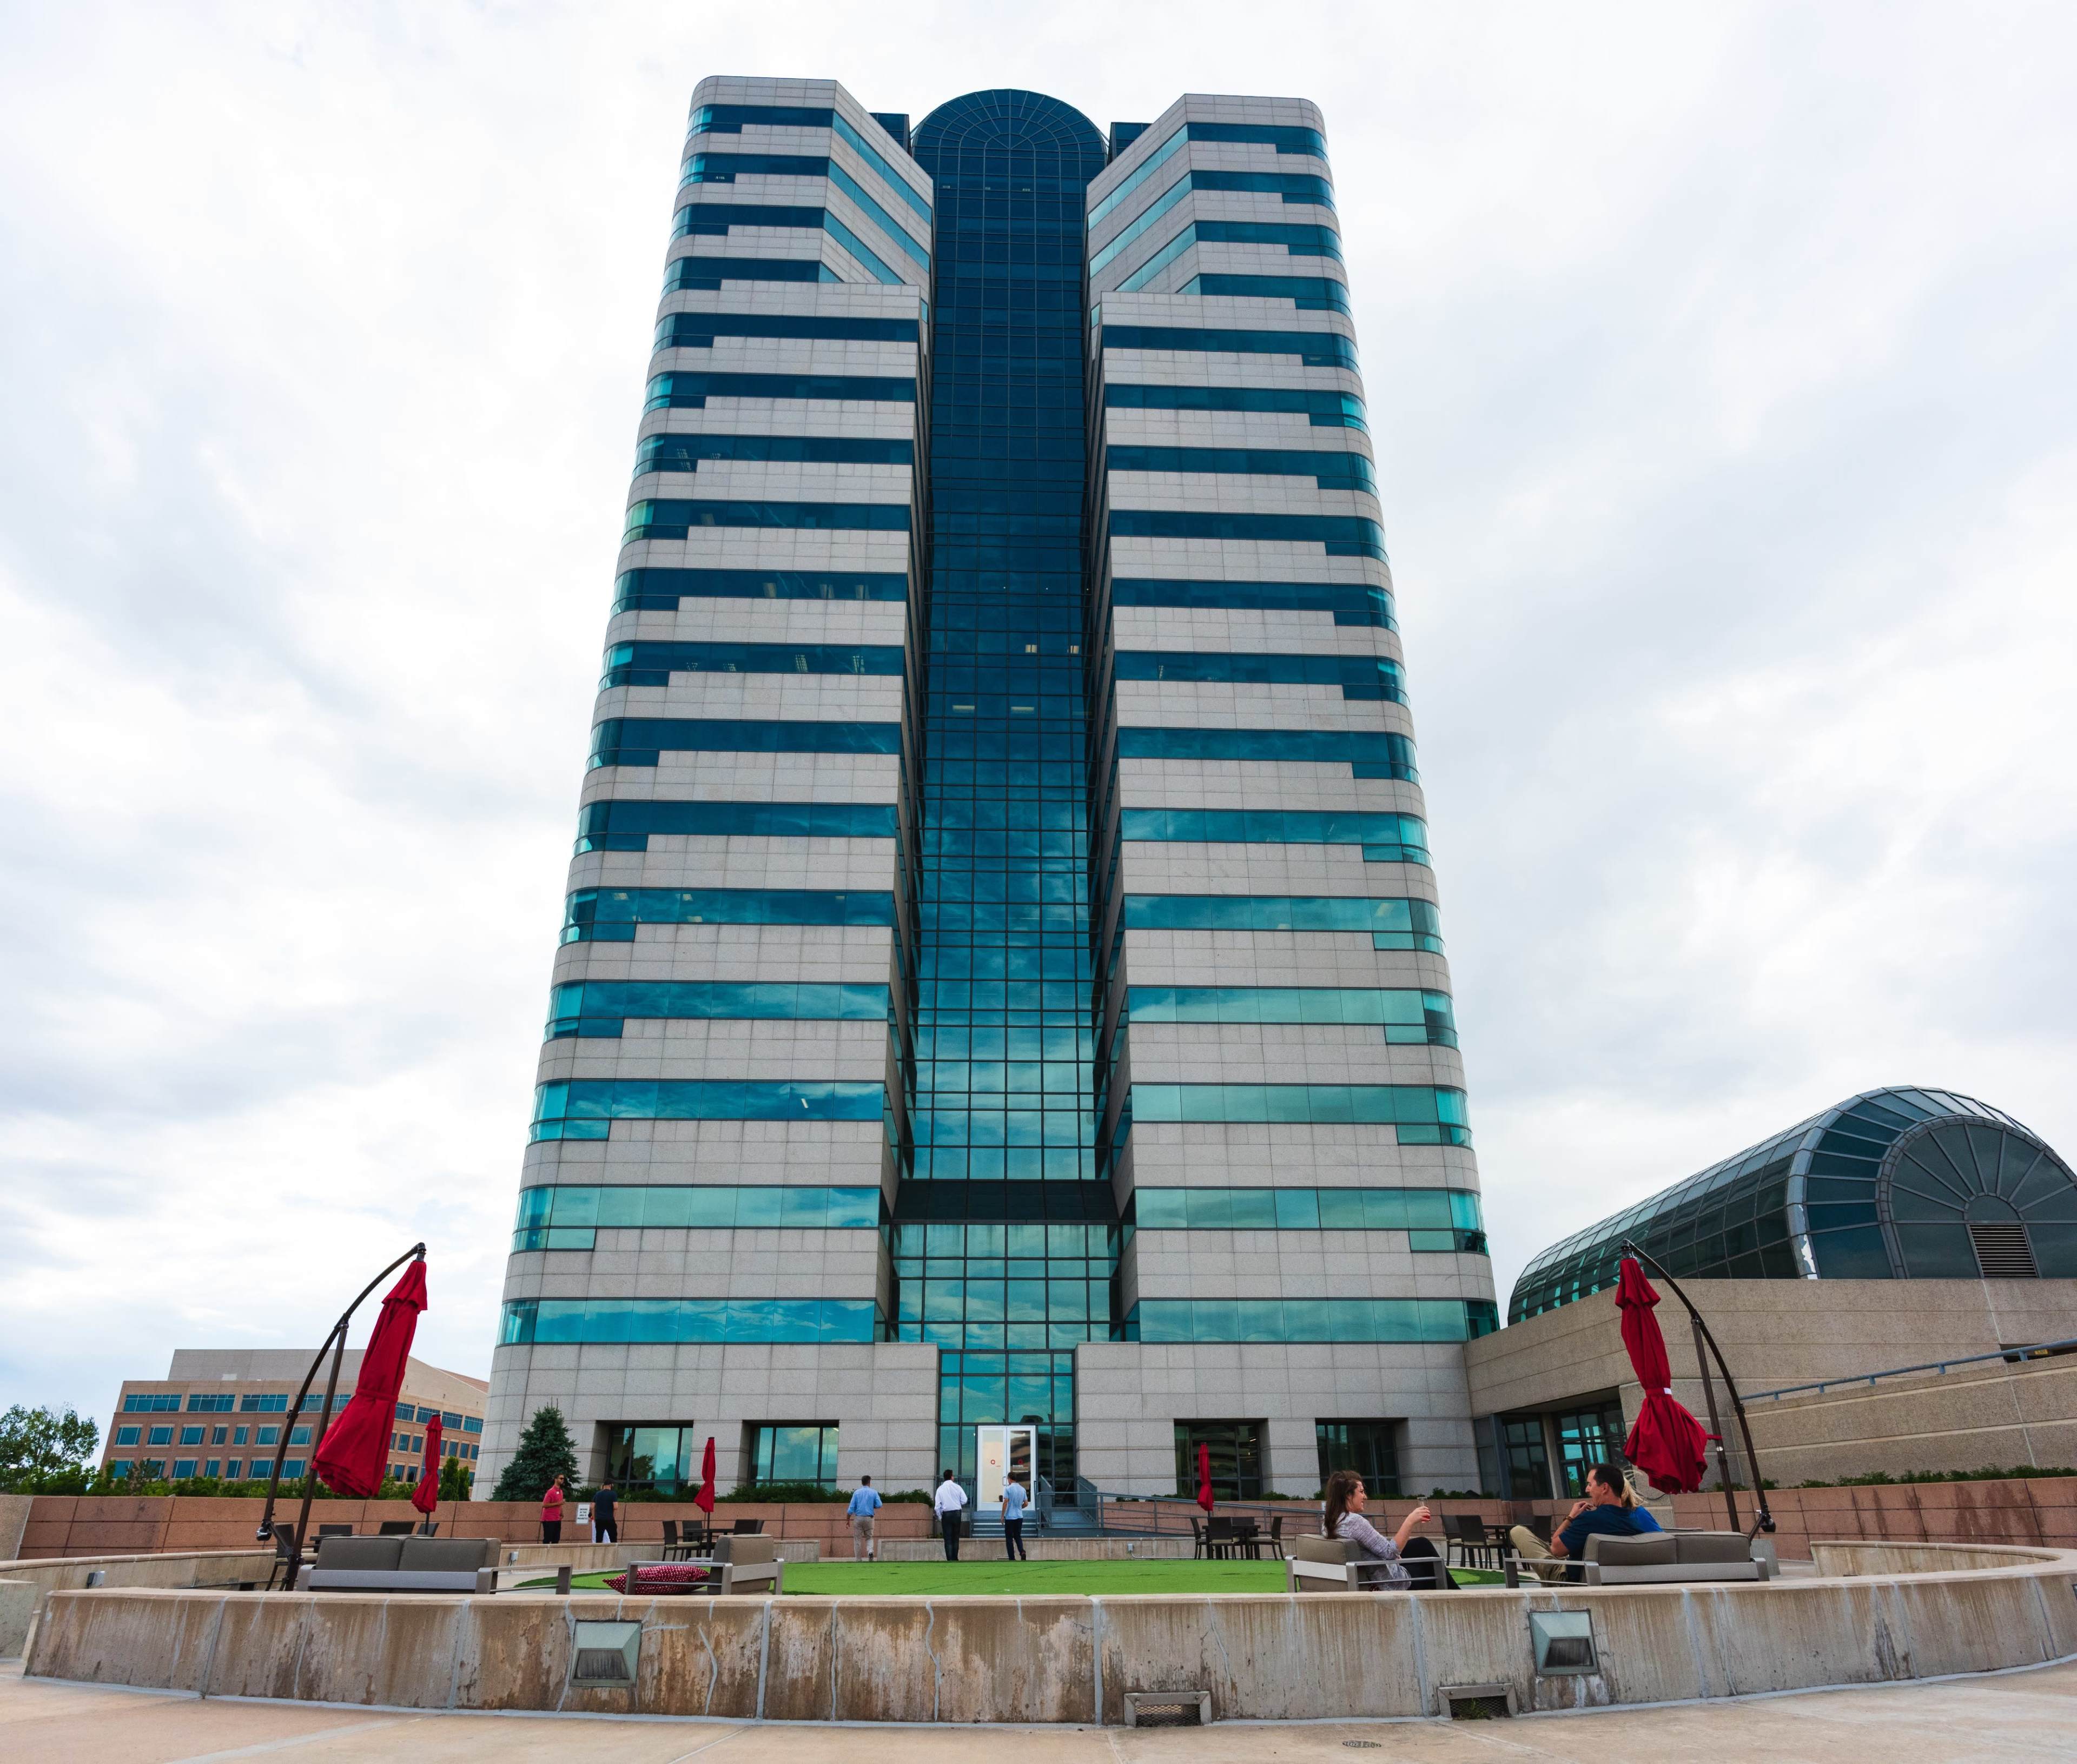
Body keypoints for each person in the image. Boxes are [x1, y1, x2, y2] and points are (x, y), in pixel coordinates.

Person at [1509, 1461, 1641, 1581]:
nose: (1587, 1489)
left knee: (1518, 1531)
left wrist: (1570, 1517)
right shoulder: (1635, 1520)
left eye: (1590, 1484)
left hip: (1573, 1581)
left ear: (1604, 1488)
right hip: (1615, 1579)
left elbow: (1555, 1549)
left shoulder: (1589, 1519)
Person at [1320, 1470, 1437, 1589]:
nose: (1365, 1497)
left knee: (1421, 1544)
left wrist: (1393, 1553)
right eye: (1361, 1492)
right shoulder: (1354, 1522)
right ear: (1348, 1495)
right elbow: (1390, 1552)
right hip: (1390, 1584)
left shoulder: (1329, 1521)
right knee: (1431, 1565)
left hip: (1368, 1573)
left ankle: (1455, 1593)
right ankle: (1453, 1595)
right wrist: (1410, 1520)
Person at [933, 1467, 968, 1561]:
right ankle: (955, 1558)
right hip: (957, 1513)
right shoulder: (957, 1487)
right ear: (952, 1477)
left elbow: (937, 1506)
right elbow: (964, 1500)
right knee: (955, 1538)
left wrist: (940, 1517)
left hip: (946, 1514)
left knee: (948, 1539)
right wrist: (957, 1503)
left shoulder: (940, 1489)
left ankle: (950, 1560)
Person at [847, 1474, 883, 1561]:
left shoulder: (857, 1493)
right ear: (869, 1482)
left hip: (858, 1518)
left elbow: (851, 1508)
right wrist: (871, 1506)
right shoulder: (874, 1492)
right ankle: (870, 1551)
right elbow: (879, 1505)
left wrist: (847, 1519)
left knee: (857, 1539)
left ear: (862, 1483)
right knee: (869, 1537)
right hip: (869, 1518)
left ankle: (858, 1559)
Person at [1001, 1473, 1029, 1561]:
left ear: (1009, 1479)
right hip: (1019, 1516)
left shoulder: (1008, 1489)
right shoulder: (1022, 1489)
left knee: (1009, 1538)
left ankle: (1012, 1558)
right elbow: (1026, 1503)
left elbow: (1006, 1502)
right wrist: (1020, 1508)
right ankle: (1022, 1552)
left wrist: (1002, 1515)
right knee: (1018, 1536)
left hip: (1010, 1517)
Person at [540, 1473, 565, 1544]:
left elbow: (560, 1504)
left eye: (563, 1479)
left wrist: (562, 1513)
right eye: (561, 1478)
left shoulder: (560, 1491)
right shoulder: (551, 1491)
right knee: (548, 1539)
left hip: (557, 1518)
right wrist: (558, 1504)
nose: (562, 1480)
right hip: (549, 1519)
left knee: (556, 1539)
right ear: (556, 1479)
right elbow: (544, 1505)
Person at [591, 1480, 618, 1544]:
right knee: (613, 1538)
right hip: (609, 1519)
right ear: (610, 1485)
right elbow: (616, 1507)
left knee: (599, 1538)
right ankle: (613, 1552)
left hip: (599, 1519)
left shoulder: (598, 1494)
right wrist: (613, 1517)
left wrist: (594, 1518)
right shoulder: (613, 1494)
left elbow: (592, 1507)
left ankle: (598, 1553)